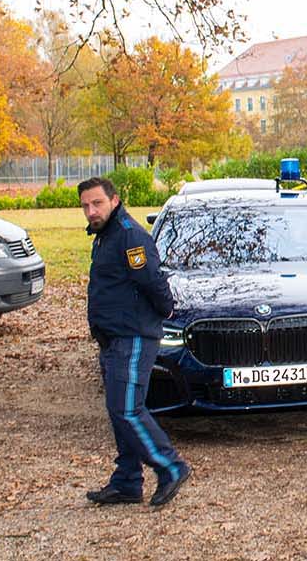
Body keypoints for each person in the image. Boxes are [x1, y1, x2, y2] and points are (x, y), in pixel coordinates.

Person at [79, 176, 189, 507]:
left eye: (97, 203)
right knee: (118, 411)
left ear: (114, 200)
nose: (91, 211)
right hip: (112, 338)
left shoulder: (129, 235)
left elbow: (152, 280)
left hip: (133, 336)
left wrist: (166, 310)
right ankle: (127, 481)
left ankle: (171, 467)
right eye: (85, 206)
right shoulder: (105, 235)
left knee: (127, 409)